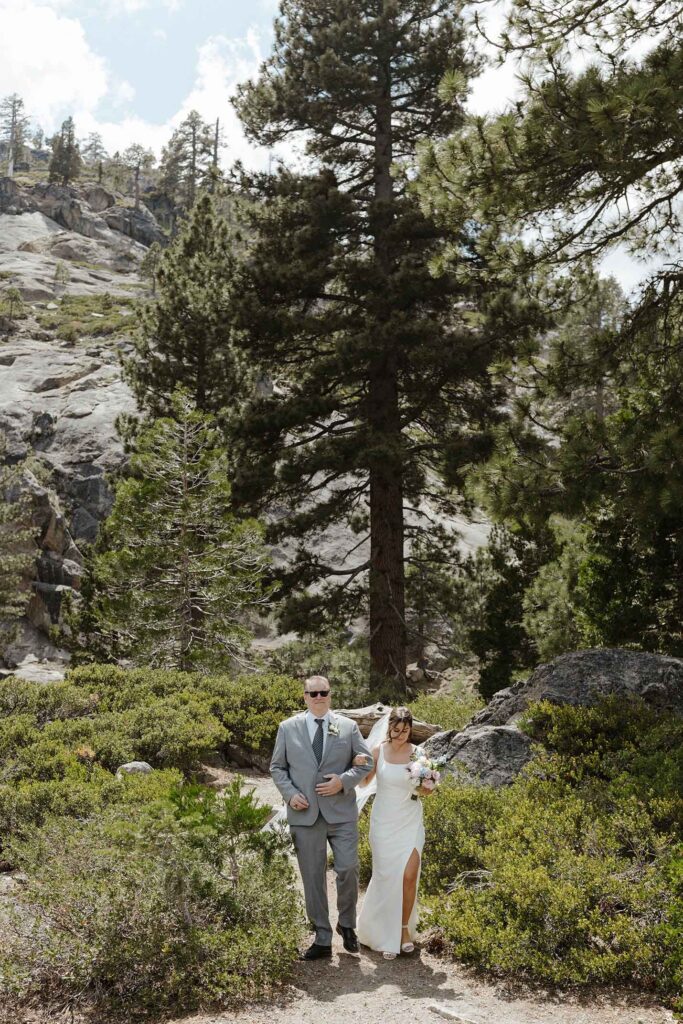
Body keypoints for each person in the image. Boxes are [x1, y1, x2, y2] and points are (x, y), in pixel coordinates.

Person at [270, 674, 373, 960]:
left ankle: (347, 925)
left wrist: (343, 780)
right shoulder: (287, 728)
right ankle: (322, 936)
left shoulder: (348, 727)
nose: (318, 697)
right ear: (304, 697)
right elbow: (277, 768)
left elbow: (367, 762)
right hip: (305, 815)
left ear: (330, 694)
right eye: (312, 693)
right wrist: (290, 794)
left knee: (348, 868)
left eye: (323, 692)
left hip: (341, 813)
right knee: (313, 876)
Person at [356, 706, 426, 959]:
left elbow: (425, 791)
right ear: (389, 728)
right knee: (386, 877)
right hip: (384, 822)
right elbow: (365, 783)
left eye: (405, 731)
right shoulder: (378, 751)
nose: (400, 735)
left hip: (410, 820)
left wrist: (428, 784)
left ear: (410, 729)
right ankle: (382, 933)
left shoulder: (419, 754)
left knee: (409, 876)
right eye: (396, 731)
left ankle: (403, 930)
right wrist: (360, 765)